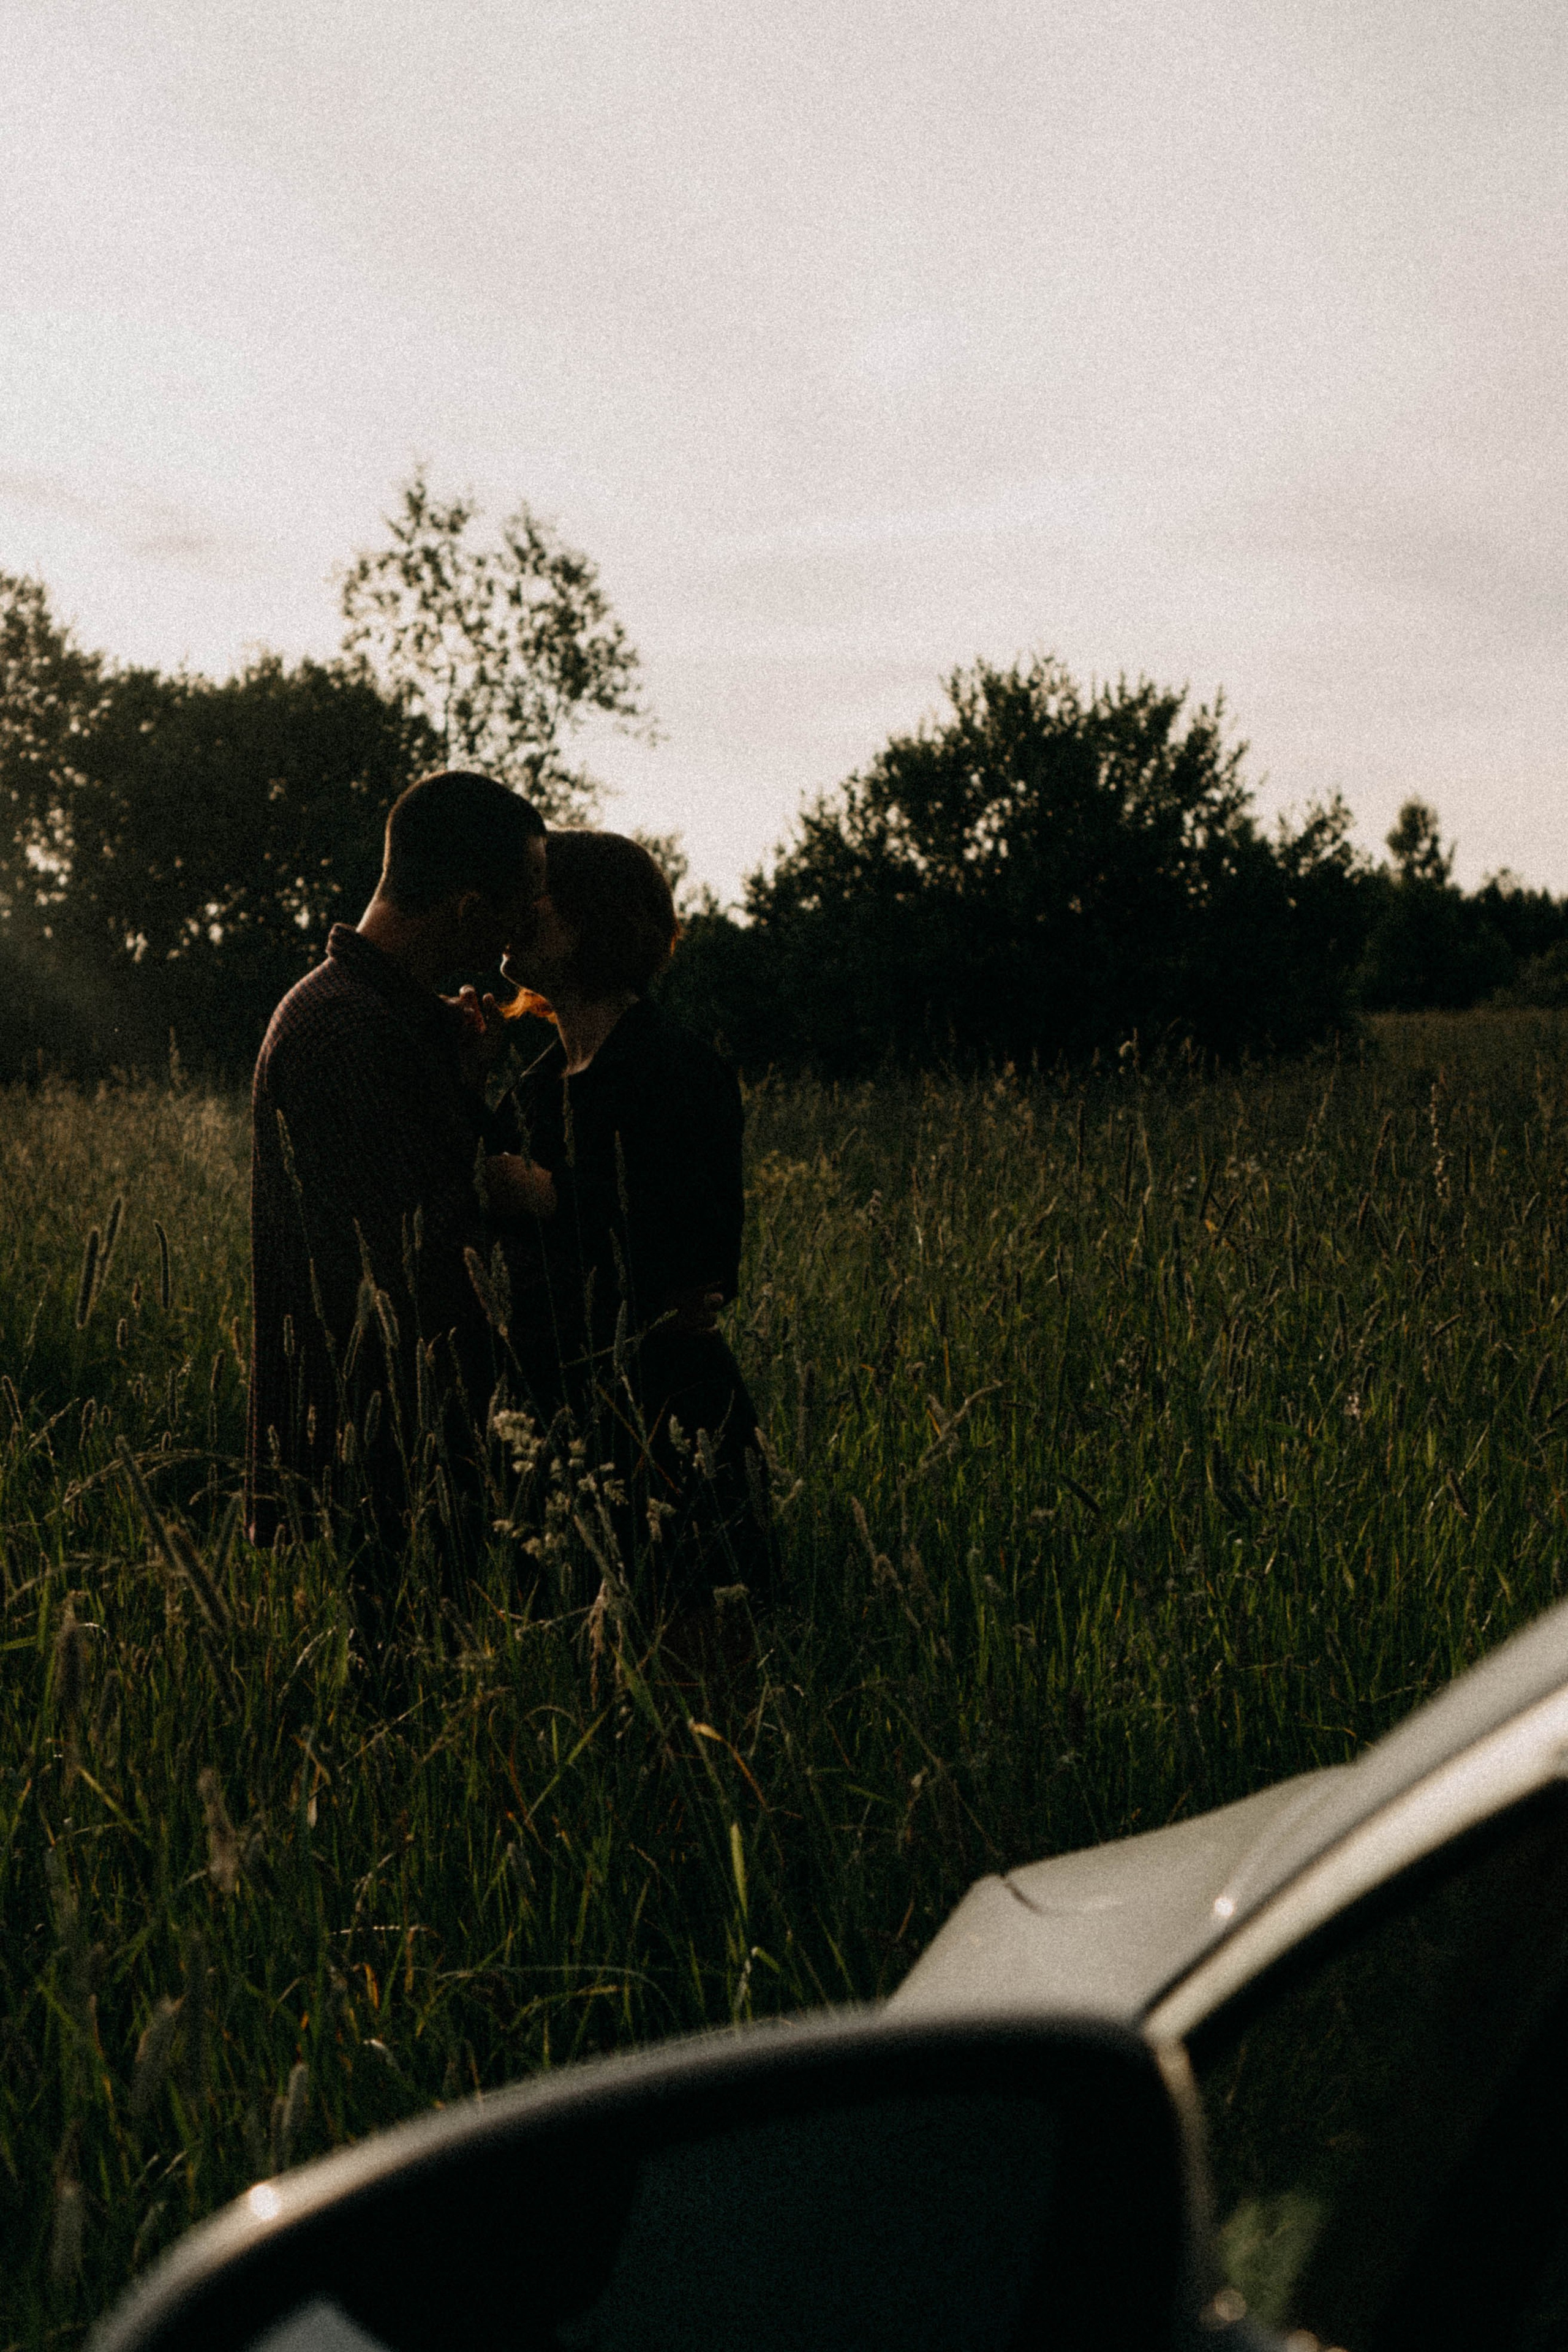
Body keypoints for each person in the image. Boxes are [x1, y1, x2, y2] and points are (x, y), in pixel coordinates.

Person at [246, 770, 546, 1555]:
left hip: (396, 1458)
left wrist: (459, 1079)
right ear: (470, 910)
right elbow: (417, 1254)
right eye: (524, 902)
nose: (526, 931)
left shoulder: (377, 1018)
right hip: (372, 1475)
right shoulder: (346, 1030)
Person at [483, 829, 774, 1616]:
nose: (514, 906)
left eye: (535, 888)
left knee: (683, 1682)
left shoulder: (673, 1067)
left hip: (664, 1421)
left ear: (593, 916)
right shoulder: (536, 1085)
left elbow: (701, 1259)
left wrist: (548, 1195)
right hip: (546, 1427)